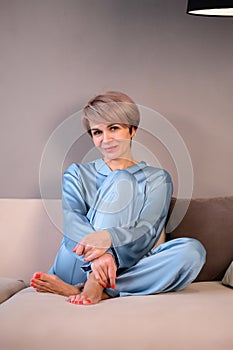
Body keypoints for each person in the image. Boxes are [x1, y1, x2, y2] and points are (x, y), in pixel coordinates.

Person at [30, 91, 206, 305]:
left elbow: (146, 231)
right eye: (97, 132)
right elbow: (72, 222)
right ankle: (92, 282)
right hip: (78, 262)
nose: (106, 139)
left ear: (132, 130)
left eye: (113, 128)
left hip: (125, 267)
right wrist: (101, 256)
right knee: (121, 179)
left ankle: (91, 289)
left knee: (192, 252)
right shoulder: (76, 173)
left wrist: (110, 239)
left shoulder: (158, 179)